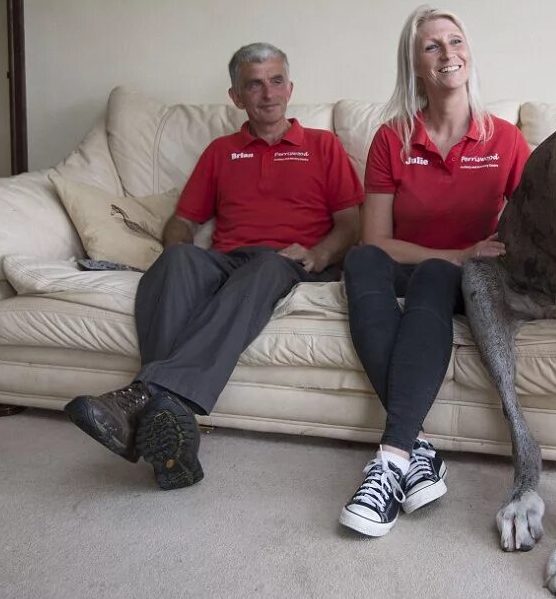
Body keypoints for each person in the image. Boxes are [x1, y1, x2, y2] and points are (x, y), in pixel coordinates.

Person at [64, 43, 364, 490]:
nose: (268, 93)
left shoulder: (322, 146)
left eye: (276, 81)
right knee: (178, 259)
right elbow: (182, 221)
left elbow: (352, 223)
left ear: (291, 88)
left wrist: (317, 254)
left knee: (266, 267)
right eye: (254, 84)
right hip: (228, 260)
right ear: (236, 97)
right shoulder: (221, 152)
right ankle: (173, 437)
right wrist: (176, 247)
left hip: (292, 262)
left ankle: (142, 397)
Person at [338, 6, 531, 537]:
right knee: (360, 258)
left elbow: (535, 225)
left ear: (469, 51)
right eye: (432, 46)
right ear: (415, 66)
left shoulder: (506, 140)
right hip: (412, 262)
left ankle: (391, 457)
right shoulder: (391, 139)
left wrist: (471, 260)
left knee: (435, 276)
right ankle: (415, 451)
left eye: (456, 41)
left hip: (461, 280)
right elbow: (375, 239)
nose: (448, 54)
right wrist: (457, 252)